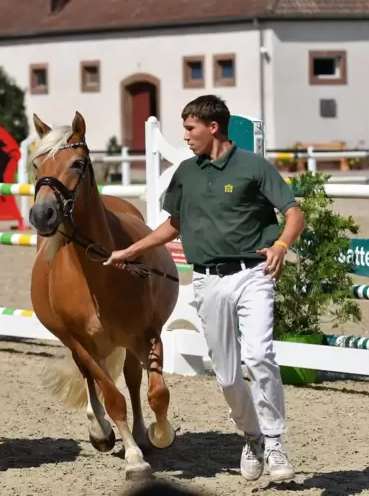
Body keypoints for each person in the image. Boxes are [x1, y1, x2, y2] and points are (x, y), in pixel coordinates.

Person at [103, 94, 305, 483]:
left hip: (253, 274)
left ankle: (276, 440)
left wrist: (281, 246)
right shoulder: (186, 173)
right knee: (228, 376)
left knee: (260, 355)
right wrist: (131, 249)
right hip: (208, 280)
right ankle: (252, 437)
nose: (186, 136)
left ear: (213, 127)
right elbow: (172, 225)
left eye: (190, 128)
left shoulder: (254, 167)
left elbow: (294, 213)